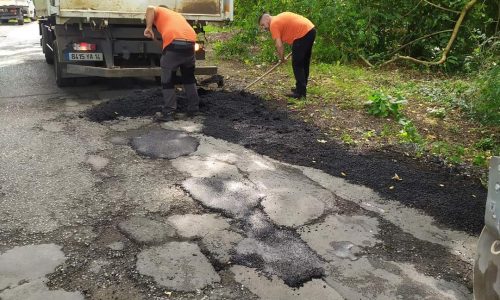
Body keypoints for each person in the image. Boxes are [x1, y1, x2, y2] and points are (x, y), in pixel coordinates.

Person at [144, 5, 200, 121]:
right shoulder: (176, 16)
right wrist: (153, 38)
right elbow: (166, 48)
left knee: (167, 80)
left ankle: (169, 111)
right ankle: (194, 109)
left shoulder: (159, 10)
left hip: (175, 42)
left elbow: (150, 8)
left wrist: (148, 27)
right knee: (189, 78)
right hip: (190, 43)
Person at [259, 12, 316, 99]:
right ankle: (300, 89)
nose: (264, 28)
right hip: (310, 30)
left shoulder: (273, 23)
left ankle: (300, 94)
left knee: (297, 64)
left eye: (263, 24)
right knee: (304, 62)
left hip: (302, 34)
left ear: (267, 18)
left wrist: (282, 59)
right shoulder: (279, 18)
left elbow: (279, 45)